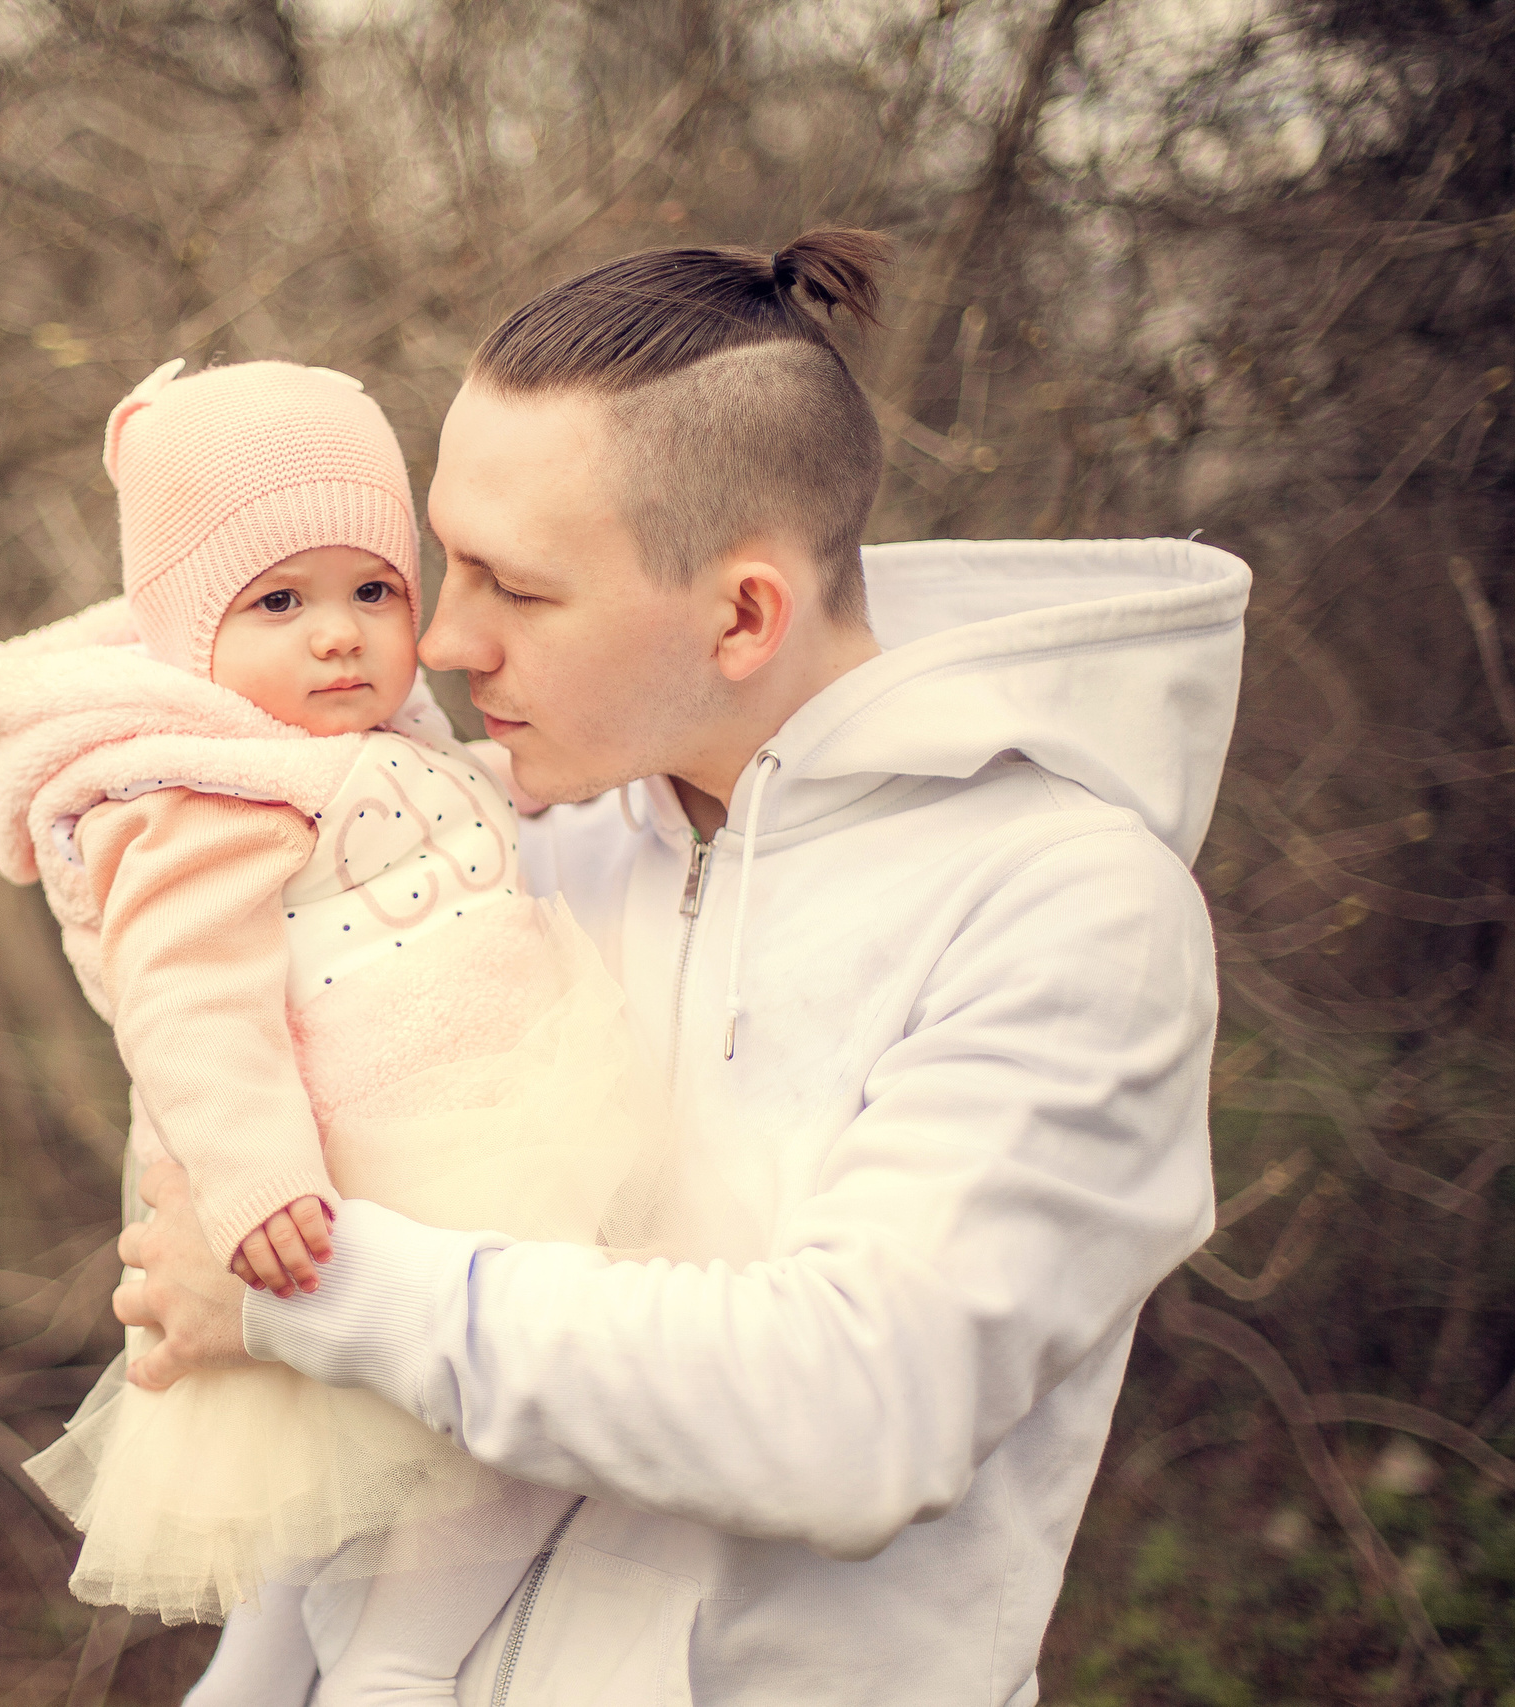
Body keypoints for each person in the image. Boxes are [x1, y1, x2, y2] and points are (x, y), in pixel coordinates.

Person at [113, 232, 1249, 1704]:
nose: (443, 640)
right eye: (442, 561)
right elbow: (346, 1467)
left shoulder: (1066, 909)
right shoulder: (517, 848)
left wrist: (312, 1289)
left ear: (742, 614)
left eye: (515, 588)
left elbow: (856, 1408)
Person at [0, 358, 667, 1704]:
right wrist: (260, 1171)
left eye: (372, 591)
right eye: (279, 602)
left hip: (456, 1152)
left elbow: (458, 815)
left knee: (366, 1541)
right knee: (455, 1506)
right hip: (348, 1193)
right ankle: (386, 1678)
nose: (339, 635)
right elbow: (187, 1003)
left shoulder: (374, 743)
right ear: (187, 636)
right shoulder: (201, 793)